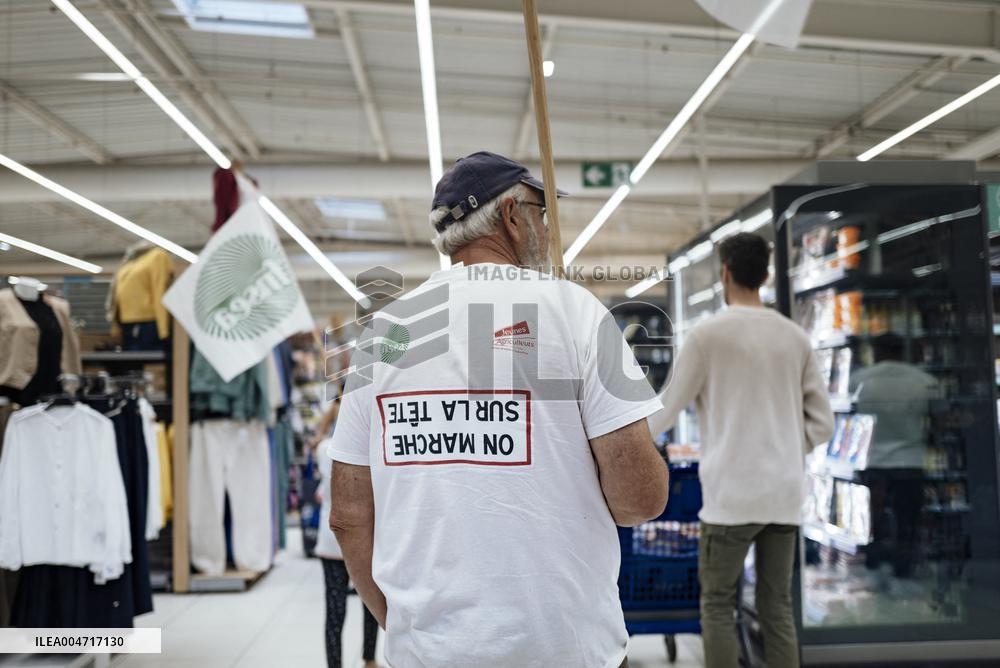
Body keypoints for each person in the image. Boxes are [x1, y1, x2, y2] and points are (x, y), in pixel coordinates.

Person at [327, 151, 669, 668]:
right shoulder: (576, 313)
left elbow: (348, 517)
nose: (548, 229)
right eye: (542, 212)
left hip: (426, 651)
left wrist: (399, 623)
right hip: (563, 647)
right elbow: (640, 499)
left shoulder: (383, 335)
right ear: (512, 214)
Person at [649, 233, 834, 668]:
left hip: (730, 498)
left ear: (725, 274)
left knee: (717, 603)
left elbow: (665, 411)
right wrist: (790, 446)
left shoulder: (707, 336)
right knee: (777, 608)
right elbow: (823, 424)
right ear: (766, 275)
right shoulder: (795, 338)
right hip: (784, 496)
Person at [851, 333, 940, 579]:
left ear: (876, 350)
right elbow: (938, 419)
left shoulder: (859, 381)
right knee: (907, 521)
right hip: (911, 460)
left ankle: (874, 564)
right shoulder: (924, 381)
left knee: (873, 521)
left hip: (874, 460)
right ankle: (904, 569)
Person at [314, 439, 380, 668]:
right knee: (371, 603)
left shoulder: (324, 448)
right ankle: (369, 659)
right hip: (366, 539)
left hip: (330, 542)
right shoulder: (372, 445)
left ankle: (335, 664)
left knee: (335, 609)